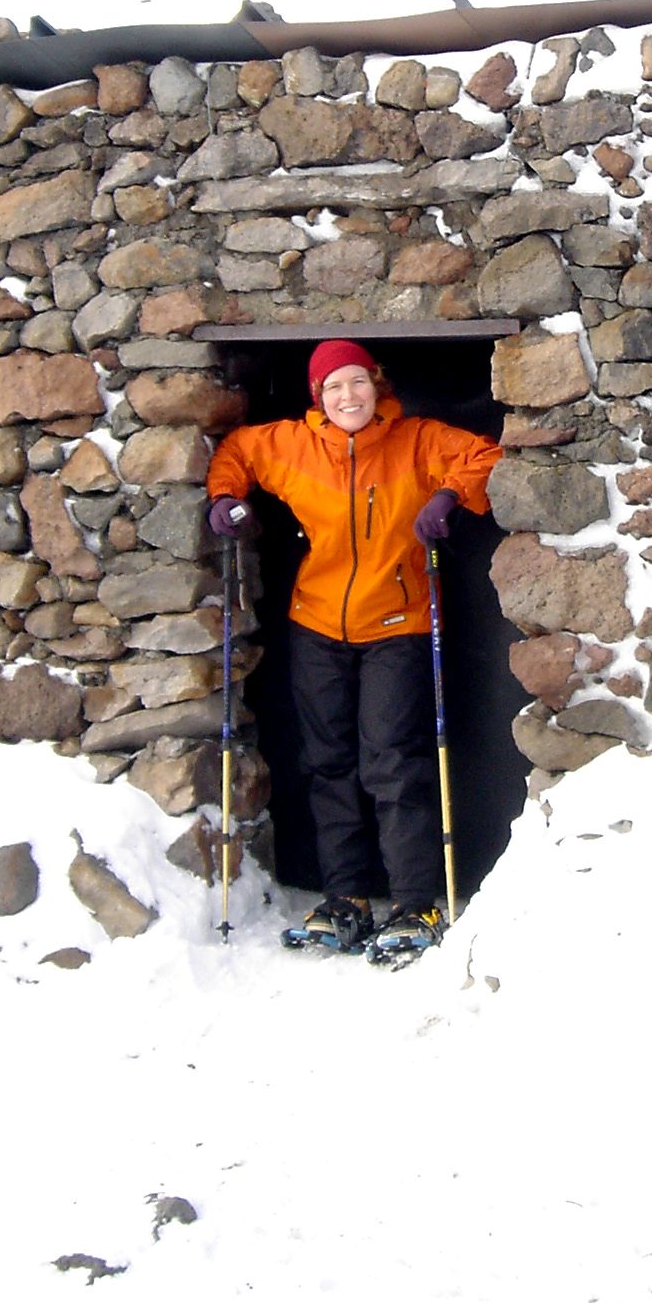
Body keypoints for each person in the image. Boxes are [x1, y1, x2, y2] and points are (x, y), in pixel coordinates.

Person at [205, 340, 501, 961]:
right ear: (318, 396)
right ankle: (345, 898)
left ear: (376, 384)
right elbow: (234, 452)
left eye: (358, 382)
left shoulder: (416, 440)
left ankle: (415, 901)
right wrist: (224, 501)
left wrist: (447, 496)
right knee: (327, 763)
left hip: (397, 622)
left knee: (392, 762)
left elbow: (485, 455)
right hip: (316, 622)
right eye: (334, 387)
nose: (348, 396)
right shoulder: (290, 444)